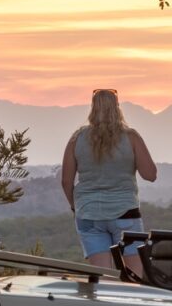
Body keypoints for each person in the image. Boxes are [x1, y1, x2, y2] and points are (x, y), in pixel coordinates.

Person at [61, 89, 157, 274]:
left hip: (88, 213)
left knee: (103, 277)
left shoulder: (76, 139)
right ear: (117, 107)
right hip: (125, 213)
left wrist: (75, 207)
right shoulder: (131, 137)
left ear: (92, 109)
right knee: (134, 276)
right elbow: (150, 175)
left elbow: (66, 181)